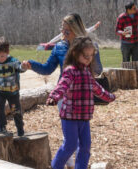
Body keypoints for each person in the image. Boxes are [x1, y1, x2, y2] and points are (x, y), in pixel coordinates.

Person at [23, 13, 104, 169]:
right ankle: (60, 164)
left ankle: (76, 165)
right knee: (70, 141)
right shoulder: (60, 47)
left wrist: (90, 58)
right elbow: (47, 69)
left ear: (77, 30)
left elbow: (98, 70)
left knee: (83, 142)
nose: (64, 34)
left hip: (83, 97)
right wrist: (31, 64)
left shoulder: (89, 46)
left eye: (68, 31)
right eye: (63, 30)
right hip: (65, 97)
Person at [46, 36, 116, 169]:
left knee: (85, 146)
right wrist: (54, 97)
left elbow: (97, 89)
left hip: (84, 117)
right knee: (70, 145)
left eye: (91, 55)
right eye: (85, 55)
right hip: (70, 117)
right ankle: (56, 166)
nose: (89, 58)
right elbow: (62, 85)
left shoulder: (87, 72)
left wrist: (110, 97)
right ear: (75, 53)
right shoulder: (70, 71)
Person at [0, 37, 26, 136]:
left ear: (7, 52)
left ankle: (20, 128)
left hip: (13, 92)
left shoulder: (13, 61)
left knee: (15, 111)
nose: (0, 58)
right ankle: (1, 126)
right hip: (0, 92)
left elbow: (20, 68)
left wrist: (24, 66)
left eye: (2, 56)